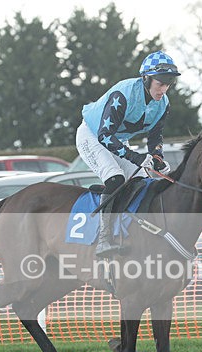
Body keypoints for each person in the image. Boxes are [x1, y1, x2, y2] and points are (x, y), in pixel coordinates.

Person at [75, 50, 181, 257]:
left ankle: (136, 234)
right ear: (146, 79)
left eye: (168, 83)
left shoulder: (164, 103)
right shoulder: (122, 95)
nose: (164, 89)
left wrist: (157, 157)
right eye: (160, 83)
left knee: (142, 181)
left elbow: (155, 137)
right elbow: (104, 136)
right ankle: (103, 240)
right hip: (92, 135)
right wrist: (136, 157)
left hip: (117, 139)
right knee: (115, 179)